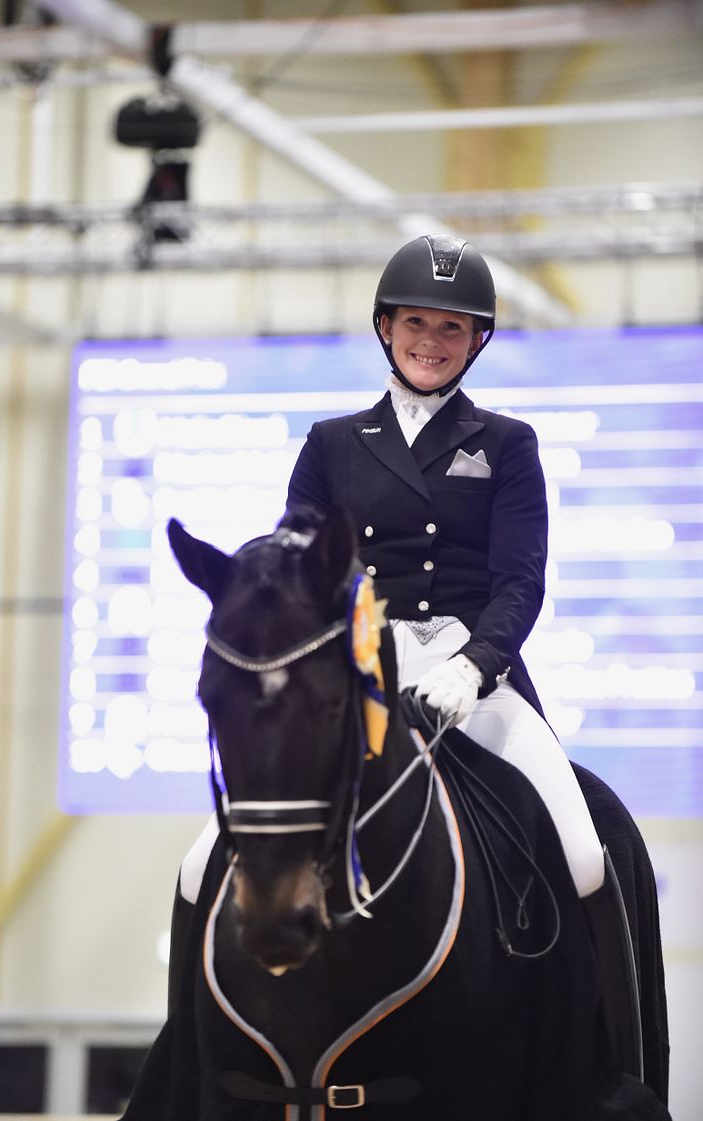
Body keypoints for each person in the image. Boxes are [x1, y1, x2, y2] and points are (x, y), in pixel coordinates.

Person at [285, 233, 606, 901]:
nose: (431, 340)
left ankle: (609, 1011)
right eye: (416, 322)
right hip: (361, 674)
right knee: (203, 866)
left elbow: (520, 581)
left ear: (475, 340)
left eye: (451, 327)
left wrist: (475, 666)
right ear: (386, 326)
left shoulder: (507, 444)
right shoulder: (331, 444)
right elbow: (298, 575)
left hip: (473, 677)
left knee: (584, 856)